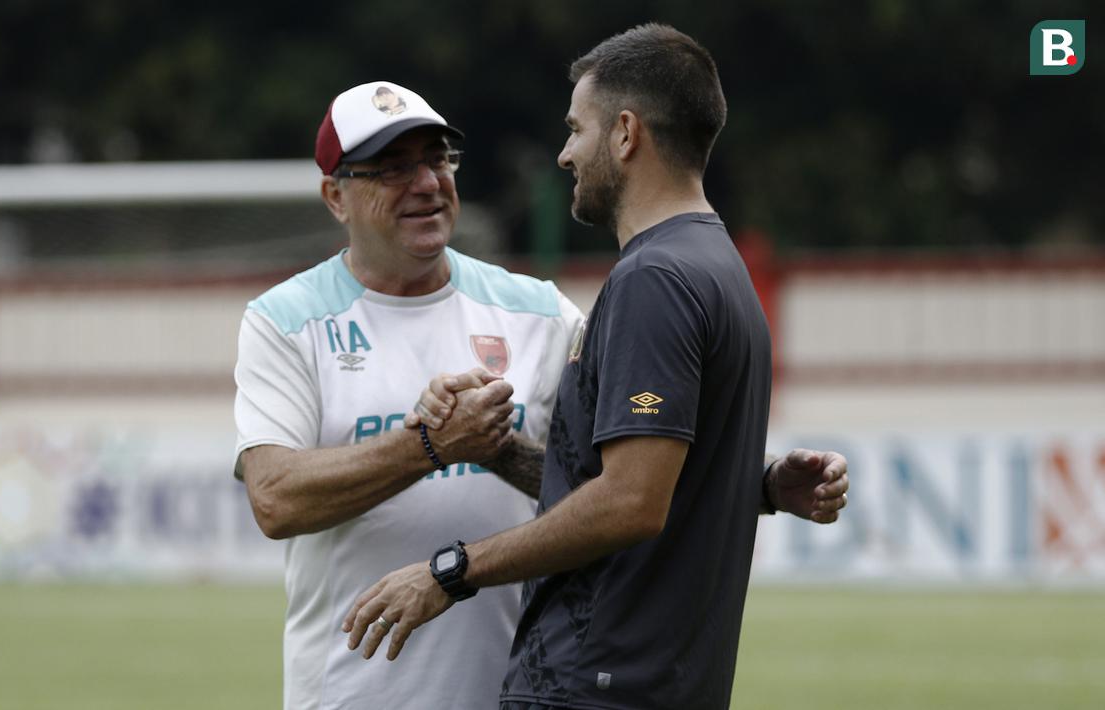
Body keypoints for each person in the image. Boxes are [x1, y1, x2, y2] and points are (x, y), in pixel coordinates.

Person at [236, 78, 846, 710]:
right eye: (391, 168)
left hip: (519, 692)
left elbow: (611, 478)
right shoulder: (285, 321)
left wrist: (762, 486)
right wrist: (429, 446)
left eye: (437, 159)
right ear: (336, 195)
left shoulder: (537, 311)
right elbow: (276, 500)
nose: (425, 183)